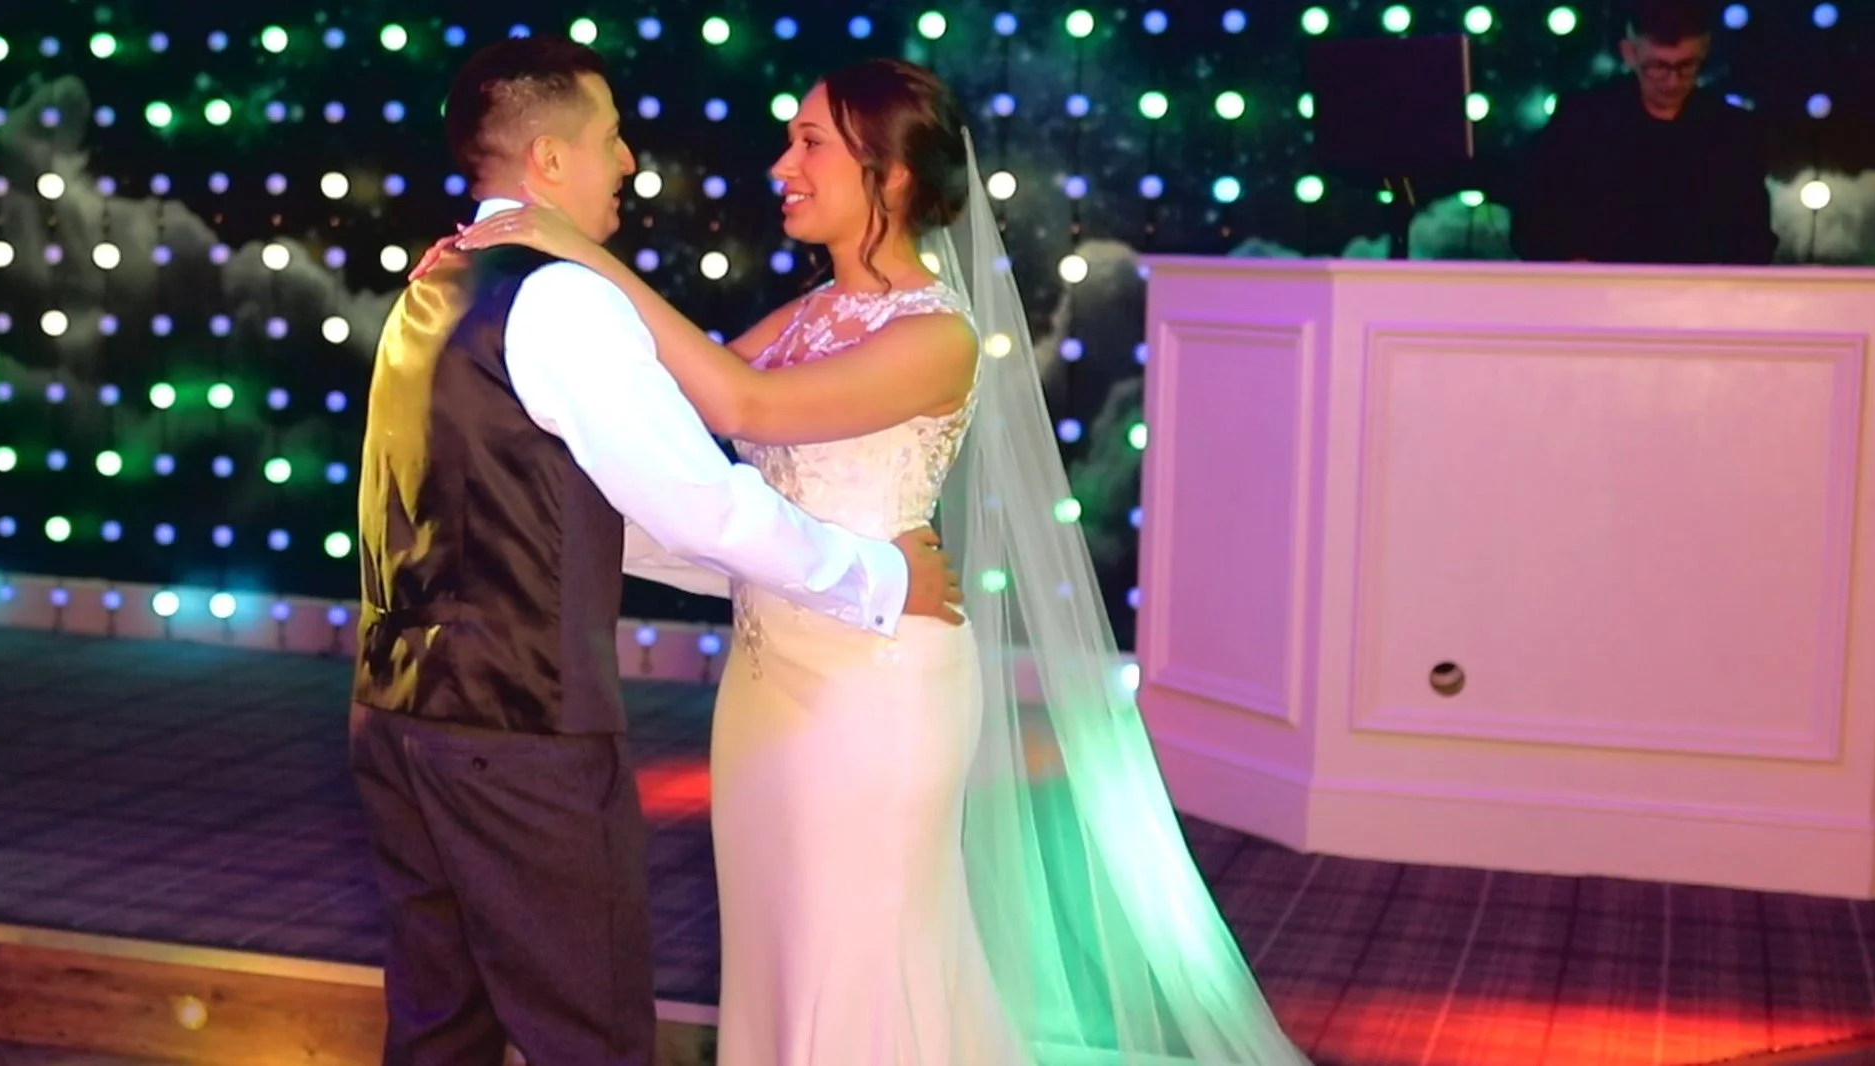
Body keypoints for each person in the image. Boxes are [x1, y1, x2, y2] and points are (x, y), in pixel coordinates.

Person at [456, 59, 1310, 1064]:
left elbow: (744, 407)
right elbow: (669, 414)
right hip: (767, 687)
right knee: (780, 950)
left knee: (859, 952)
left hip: (880, 688)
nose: (781, 165)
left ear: (890, 175)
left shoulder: (937, 334)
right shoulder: (810, 314)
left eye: (809, 143)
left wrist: (580, 258)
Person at [350, 37, 964, 1066]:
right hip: (527, 720)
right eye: (610, 138)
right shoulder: (556, 296)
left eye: (806, 141)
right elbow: (696, 494)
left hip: (400, 711)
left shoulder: (440, 283)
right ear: (549, 163)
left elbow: (592, 503)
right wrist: (882, 576)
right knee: (585, 1033)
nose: (630, 161)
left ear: (889, 173)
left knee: (440, 1025)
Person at [1511, 0, 1776, 264]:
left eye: (1686, 66)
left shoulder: (1732, 132)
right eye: (1658, 67)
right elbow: (1533, 221)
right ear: (1629, 53)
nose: (1673, 81)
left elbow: (1753, 239)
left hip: (1699, 298)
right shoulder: (1581, 121)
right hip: (1599, 295)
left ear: (1705, 51)